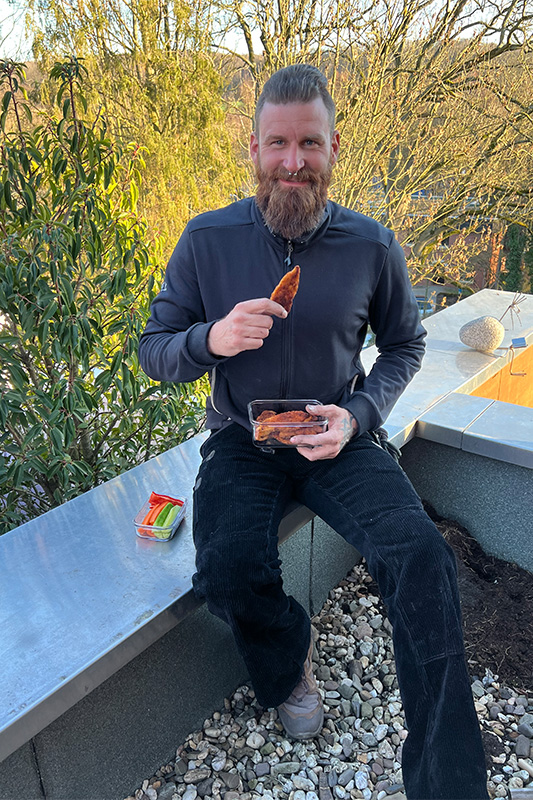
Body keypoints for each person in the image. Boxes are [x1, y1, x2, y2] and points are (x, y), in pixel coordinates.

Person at [138, 64, 489, 799]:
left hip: (338, 432)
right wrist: (211, 339)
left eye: (308, 143)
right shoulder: (206, 240)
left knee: (422, 558)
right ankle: (286, 655)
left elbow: (404, 348)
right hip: (244, 438)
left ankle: (446, 782)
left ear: (333, 147)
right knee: (227, 571)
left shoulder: (370, 245)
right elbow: (155, 351)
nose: (292, 162)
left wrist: (357, 415)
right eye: (277, 143)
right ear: (254, 149)